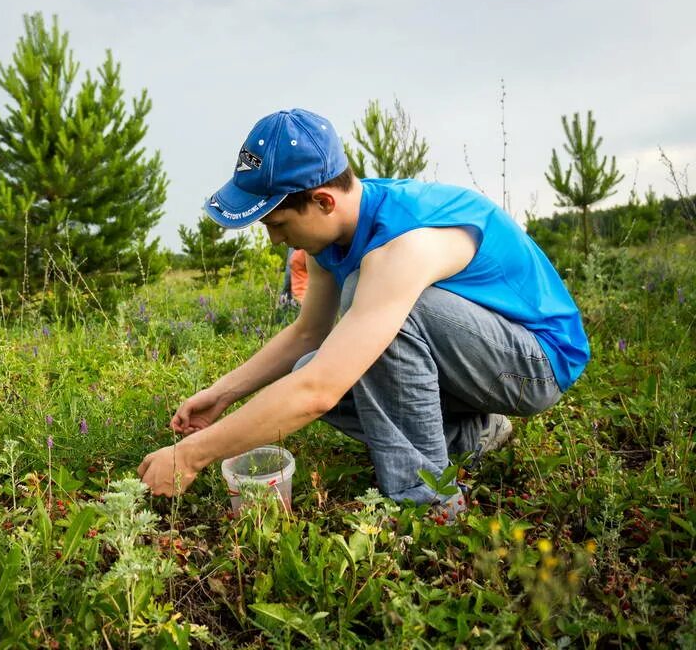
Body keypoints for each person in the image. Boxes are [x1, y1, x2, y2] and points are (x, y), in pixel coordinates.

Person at [138, 108, 590, 514]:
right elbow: (307, 334)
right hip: (474, 361)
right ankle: (475, 435)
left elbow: (319, 391)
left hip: (534, 365)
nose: (275, 240)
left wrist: (192, 455)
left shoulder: (402, 243)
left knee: (363, 311)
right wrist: (222, 393)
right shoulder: (332, 235)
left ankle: (428, 503)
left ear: (322, 201)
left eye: (277, 224)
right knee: (311, 361)